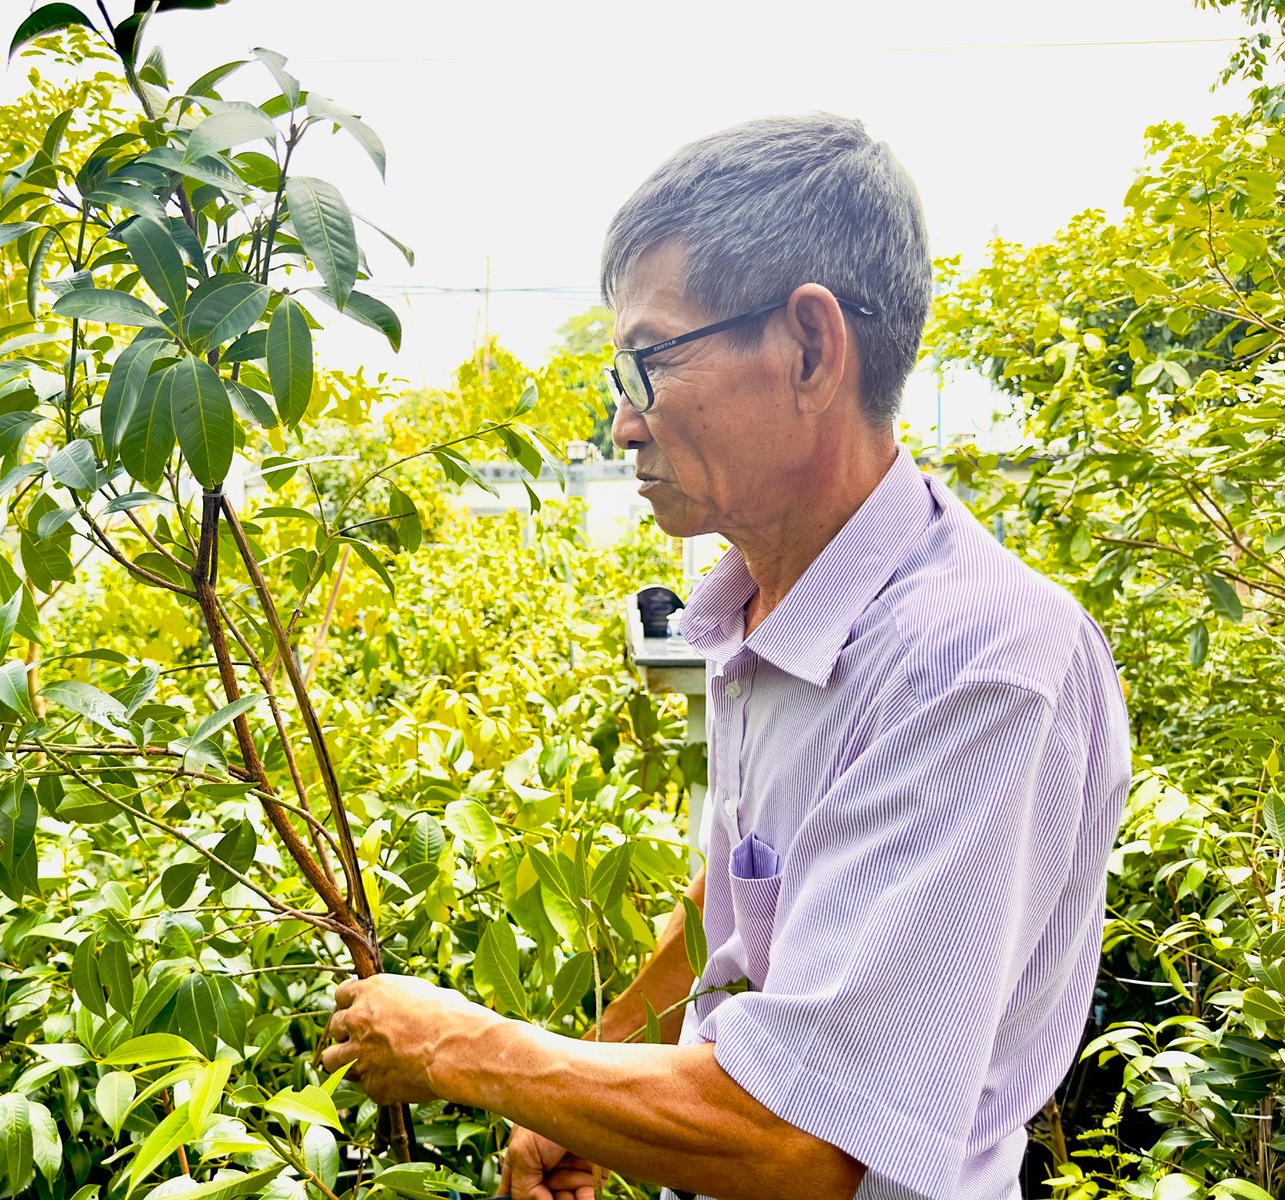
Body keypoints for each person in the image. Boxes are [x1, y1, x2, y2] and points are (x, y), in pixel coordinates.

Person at [323, 114, 1131, 1200]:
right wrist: (602, 1085)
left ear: (808, 347)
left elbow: (810, 1142)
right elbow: (749, 898)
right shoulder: (769, 609)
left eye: (645, 364)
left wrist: (467, 1051)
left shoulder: (976, 668)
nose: (623, 425)